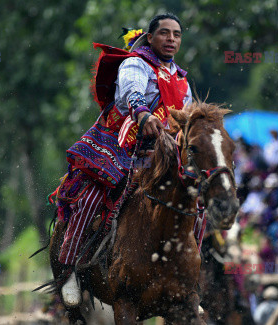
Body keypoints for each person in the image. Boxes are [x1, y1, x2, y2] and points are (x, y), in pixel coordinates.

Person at [52, 13, 192, 307]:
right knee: (89, 200)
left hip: (163, 159)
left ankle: (188, 280)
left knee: (198, 205)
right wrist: (142, 114)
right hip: (122, 149)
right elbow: (131, 92)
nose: (171, 39)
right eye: (164, 33)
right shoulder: (136, 63)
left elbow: (188, 117)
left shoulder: (181, 79)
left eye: (176, 35)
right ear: (150, 38)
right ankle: (68, 271)